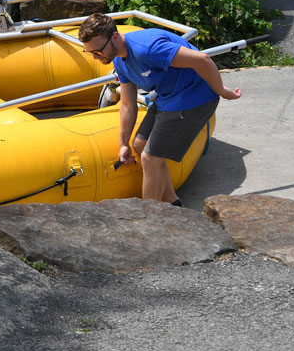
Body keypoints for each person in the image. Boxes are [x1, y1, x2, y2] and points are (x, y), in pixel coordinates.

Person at [77, 13, 241, 206]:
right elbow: (128, 104)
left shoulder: (147, 49)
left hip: (195, 98)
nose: (96, 57)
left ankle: (151, 218)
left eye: (98, 52)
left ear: (114, 37)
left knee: (150, 158)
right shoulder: (119, 61)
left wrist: (222, 90)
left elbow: (202, 59)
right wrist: (123, 143)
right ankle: (171, 202)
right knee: (139, 146)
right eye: (91, 53)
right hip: (169, 98)